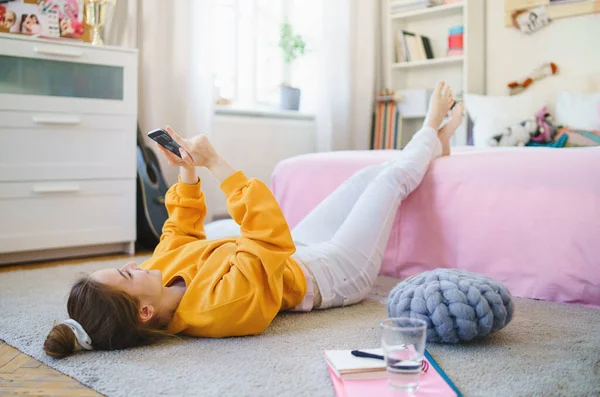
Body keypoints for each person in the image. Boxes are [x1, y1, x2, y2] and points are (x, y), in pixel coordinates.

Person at [44, 82, 463, 358]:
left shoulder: (156, 274)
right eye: (126, 274)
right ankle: (428, 131)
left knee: (364, 177)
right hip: (333, 276)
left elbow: (179, 231)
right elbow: (266, 237)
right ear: (146, 313)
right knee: (388, 180)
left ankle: (432, 150)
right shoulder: (220, 309)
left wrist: (187, 169)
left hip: (297, 252)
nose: (136, 264)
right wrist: (217, 164)